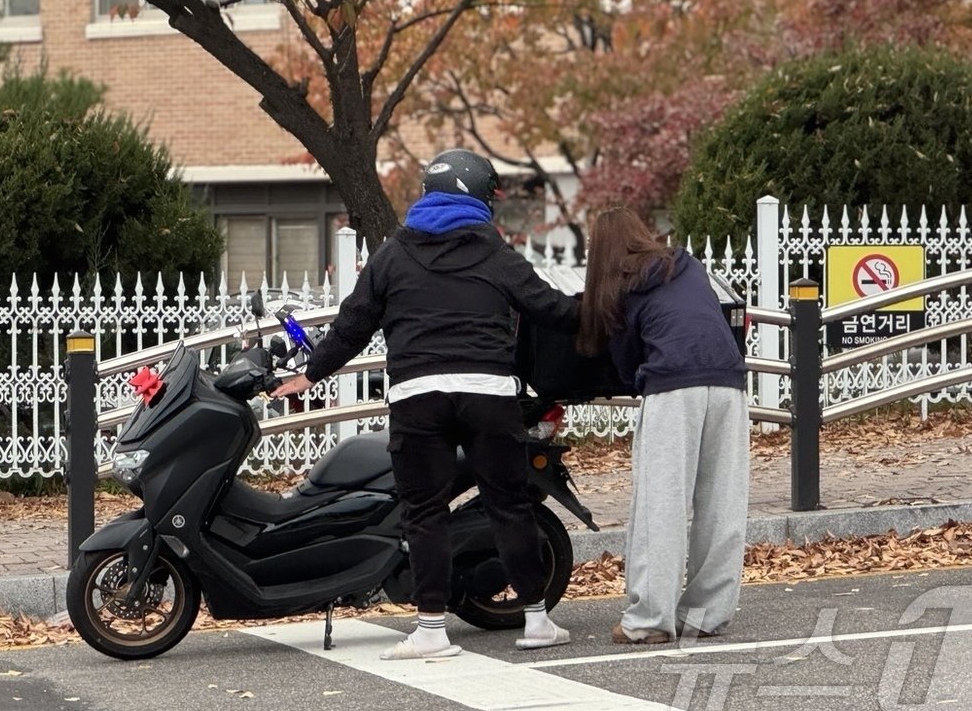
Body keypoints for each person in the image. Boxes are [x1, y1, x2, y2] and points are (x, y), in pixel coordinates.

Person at [271, 149, 581, 660]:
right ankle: (536, 621)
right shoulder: (494, 252)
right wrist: (604, 316)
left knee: (425, 512)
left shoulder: (393, 254)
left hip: (418, 397)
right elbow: (547, 307)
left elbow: (354, 322)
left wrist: (310, 373)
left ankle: (432, 631)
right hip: (488, 395)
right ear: (479, 197)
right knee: (508, 505)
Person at [577, 206, 748, 645]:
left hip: (673, 388)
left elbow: (625, 358)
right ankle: (706, 614)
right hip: (728, 381)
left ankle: (649, 620)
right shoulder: (686, 266)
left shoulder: (621, 286)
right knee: (721, 502)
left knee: (661, 503)